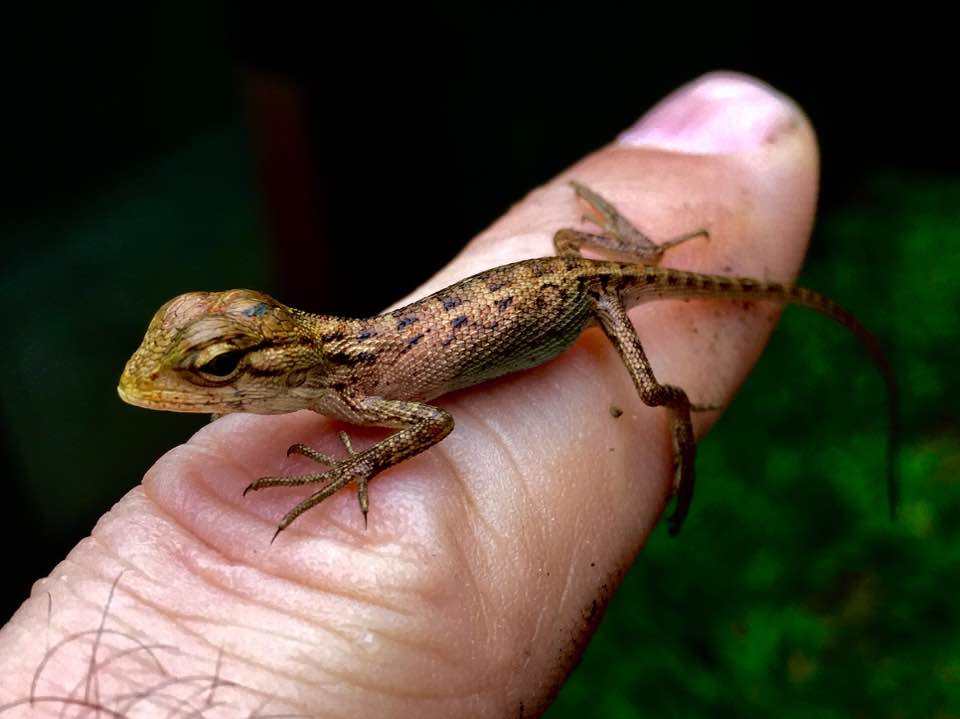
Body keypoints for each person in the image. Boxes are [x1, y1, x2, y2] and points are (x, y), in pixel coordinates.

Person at [0, 72, 818, 717]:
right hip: (557, 278)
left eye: (215, 366)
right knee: (570, 243)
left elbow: (431, 422)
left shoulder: (359, 388)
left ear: (279, 364)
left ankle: (676, 407)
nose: (199, 382)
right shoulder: (348, 370)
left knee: (644, 387)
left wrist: (347, 469)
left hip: (597, 292)